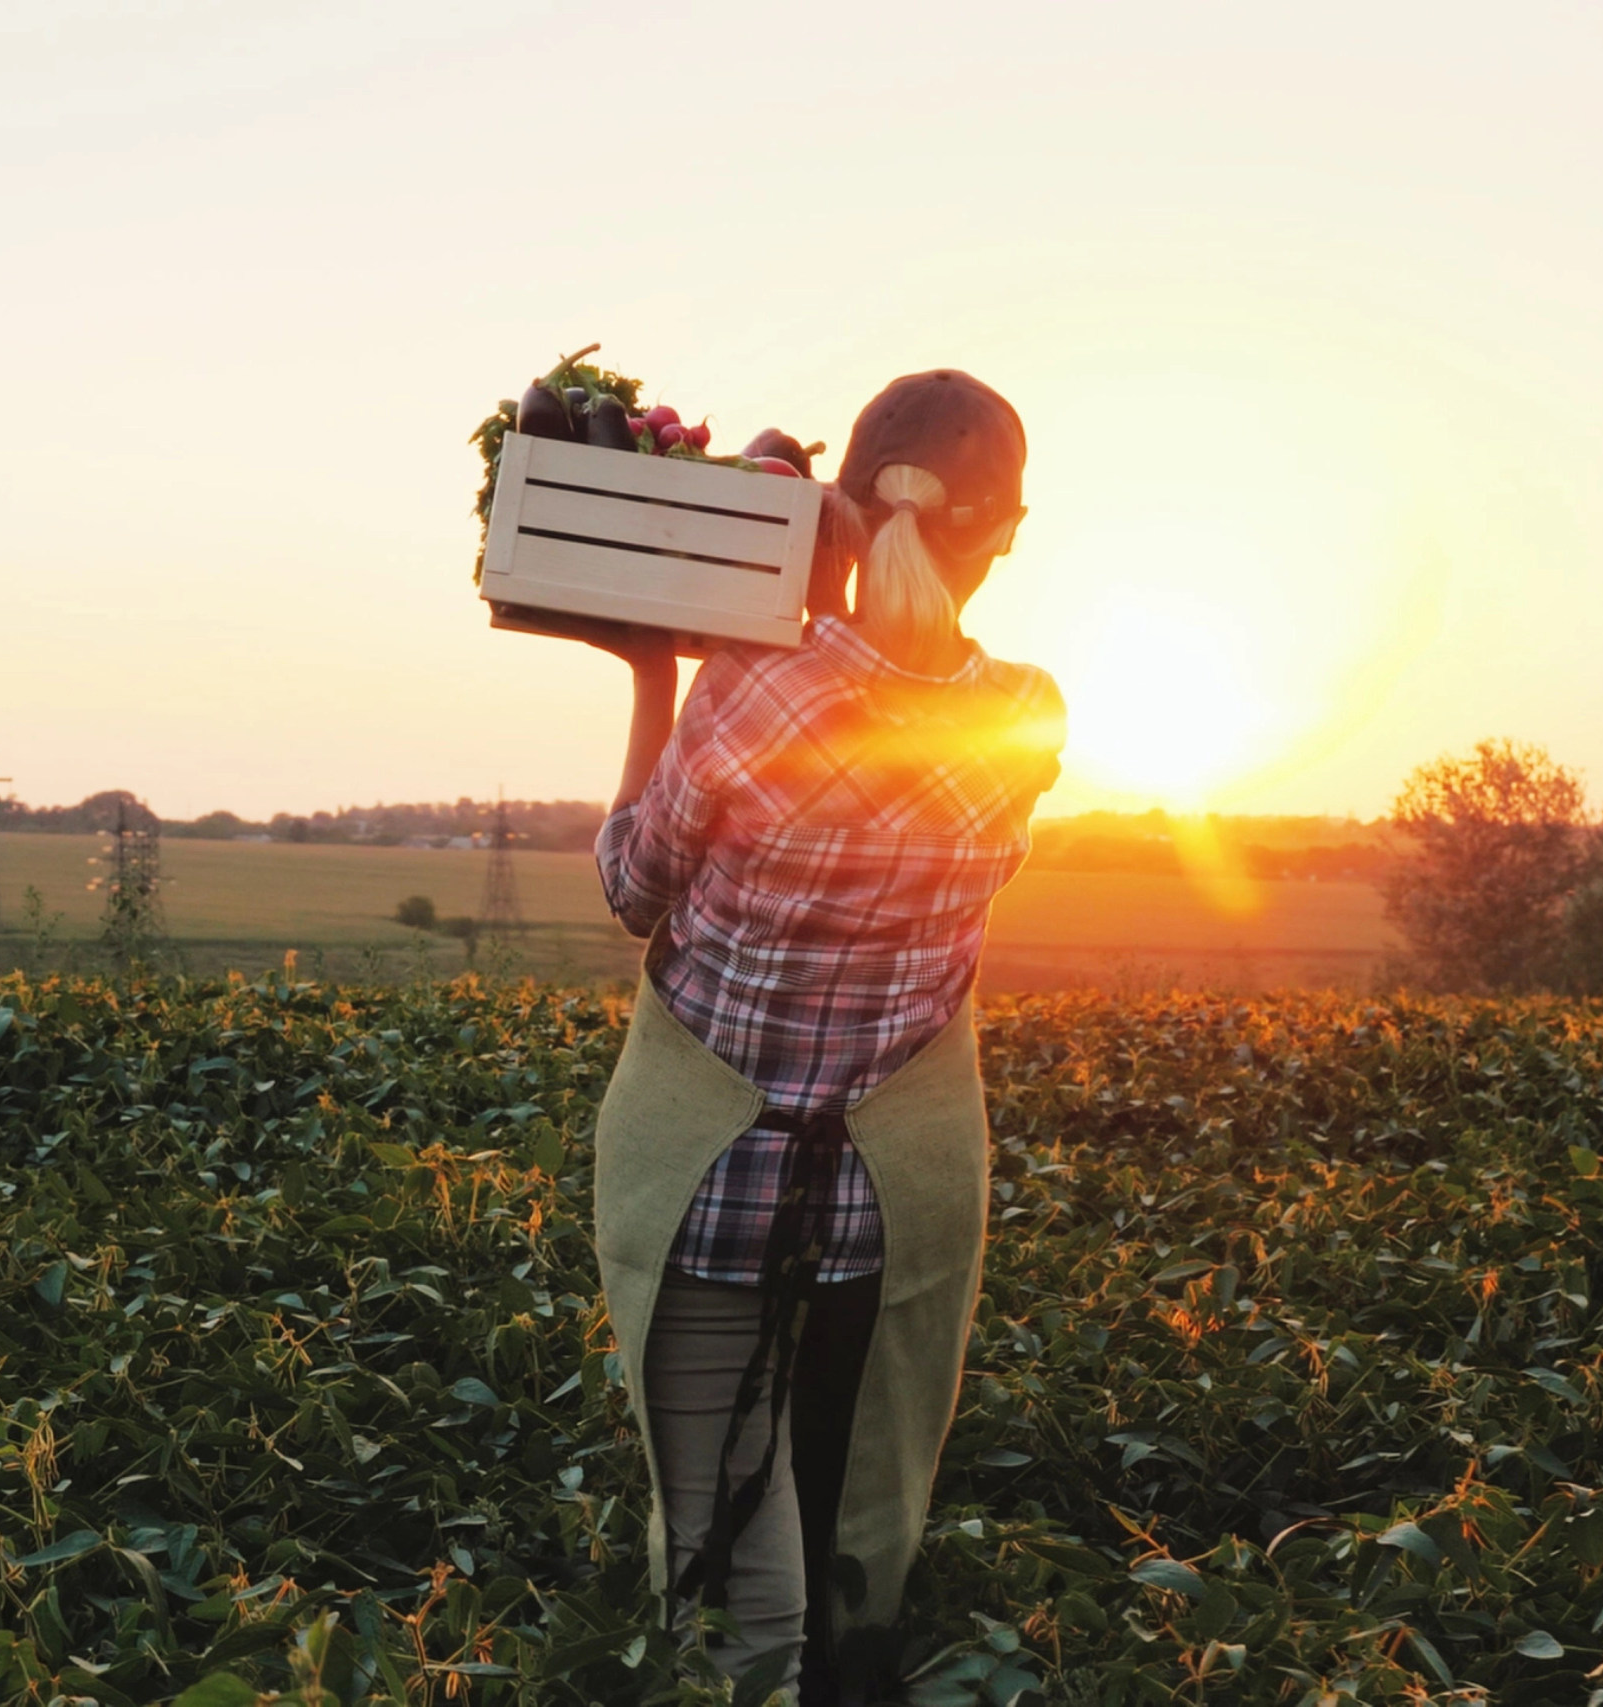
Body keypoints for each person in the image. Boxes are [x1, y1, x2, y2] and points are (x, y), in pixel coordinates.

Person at [585, 370, 1064, 1705]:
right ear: (1007, 532)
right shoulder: (1026, 719)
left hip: (708, 1190)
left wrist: (654, 673)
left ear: (844, 508)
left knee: (721, 1564)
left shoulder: (752, 686)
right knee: (850, 1536)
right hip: (880, 1202)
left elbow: (632, 887)